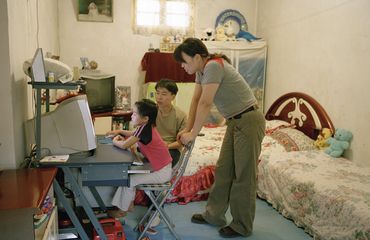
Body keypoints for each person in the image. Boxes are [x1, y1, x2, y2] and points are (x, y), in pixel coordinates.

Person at [173, 38, 265, 238]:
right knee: (223, 169)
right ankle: (214, 215)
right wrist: (187, 130)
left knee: (243, 175)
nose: (182, 66)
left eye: (184, 61)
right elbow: (196, 100)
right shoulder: (201, 70)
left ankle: (242, 225)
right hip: (234, 122)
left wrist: (194, 133)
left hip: (249, 120)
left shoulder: (214, 65)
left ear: (197, 57)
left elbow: (206, 103)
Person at [107, 99, 172, 218]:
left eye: (135, 114)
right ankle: (128, 204)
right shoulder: (145, 127)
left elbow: (125, 145)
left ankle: (122, 210)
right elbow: (133, 134)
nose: (132, 116)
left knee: (129, 180)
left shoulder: (144, 129)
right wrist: (119, 131)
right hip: (159, 168)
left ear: (145, 118)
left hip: (162, 172)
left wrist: (114, 140)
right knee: (126, 176)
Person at [155, 79, 187, 167]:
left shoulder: (181, 115)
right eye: (157, 93)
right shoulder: (151, 111)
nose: (159, 97)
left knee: (166, 157)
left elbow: (182, 142)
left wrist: (167, 146)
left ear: (173, 96)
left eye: (164, 94)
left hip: (171, 148)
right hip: (153, 146)